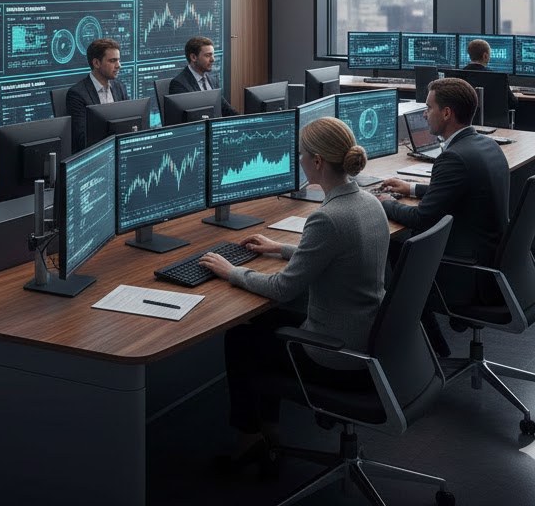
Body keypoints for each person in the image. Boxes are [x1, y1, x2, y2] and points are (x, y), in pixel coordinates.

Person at [200, 117, 389, 466]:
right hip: (368, 338)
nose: (297, 159)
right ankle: (268, 427)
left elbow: (283, 288)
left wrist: (233, 272)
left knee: (241, 339)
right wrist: (280, 249)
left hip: (336, 355)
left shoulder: (328, 217)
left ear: (317, 162)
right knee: (268, 323)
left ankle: (249, 435)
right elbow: (336, 252)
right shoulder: (368, 202)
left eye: (301, 154)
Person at [378, 76, 509, 307]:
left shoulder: (453, 157)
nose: (425, 114)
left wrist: (384, 202)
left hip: (466, 271)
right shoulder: (486, 144)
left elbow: (421, 218)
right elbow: (461, 191)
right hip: (489, 256)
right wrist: (411, 188)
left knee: (393, 244)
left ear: (447, 113)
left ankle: (404, 322)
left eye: (429, 108)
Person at [66, 38, 129, 151]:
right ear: (96, 63)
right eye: (112, 61)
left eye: (118, 60)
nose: (119, 65)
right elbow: (82, 139)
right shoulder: (77, 94)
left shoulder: (120, 87)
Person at [168, 35, 238, 116]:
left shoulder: (213, 80)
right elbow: (187, 119)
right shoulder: (179, 84)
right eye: (208, 55)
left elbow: (226, 108)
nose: (213, 59)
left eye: (213, 55)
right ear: (193, 57)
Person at [464, 38, 518, 113]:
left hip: (467, 121)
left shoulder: (457, 75)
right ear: (485, 56)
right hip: (493, 123)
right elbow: (512, 103)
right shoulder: (498, 78)